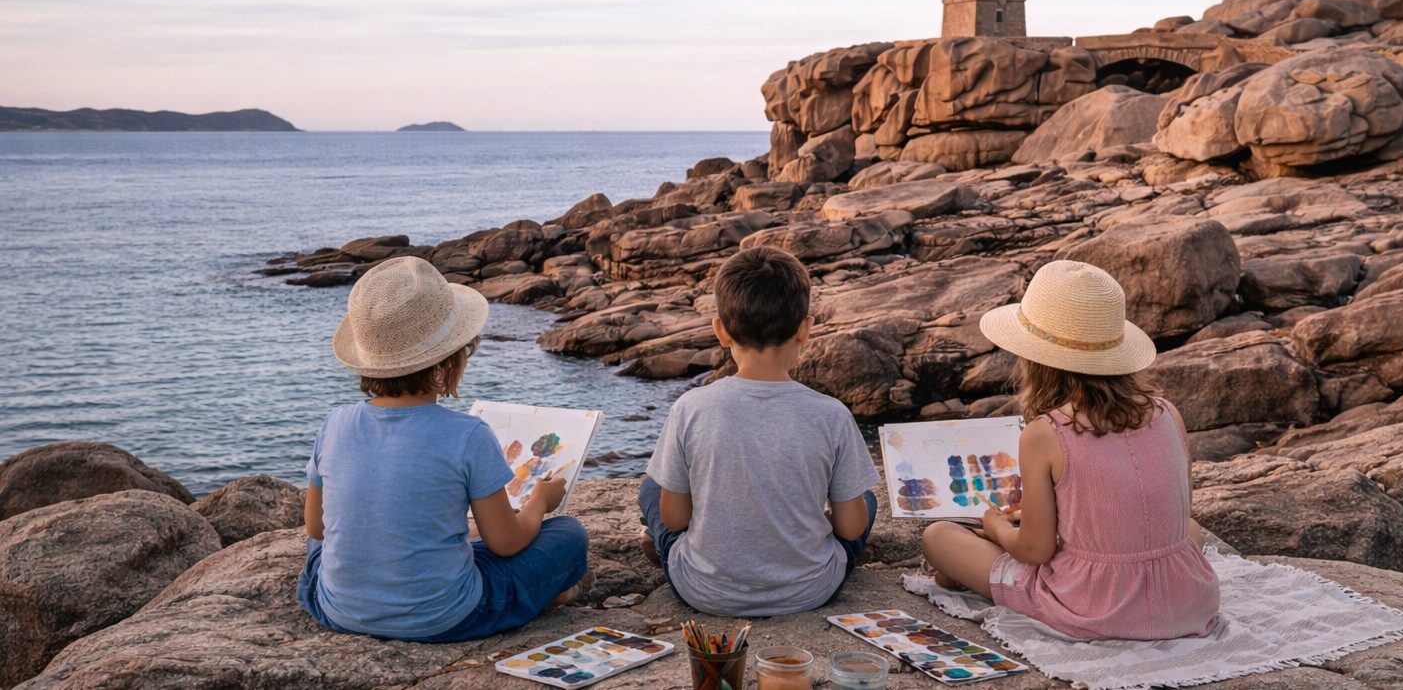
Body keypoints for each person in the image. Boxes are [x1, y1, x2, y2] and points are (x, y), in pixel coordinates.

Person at [921, 259, 1220, 641]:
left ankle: (972, 571)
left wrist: (998, 529)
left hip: (1094, 607)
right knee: (1187, 530)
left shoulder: (1045, 433)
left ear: (1036, 360)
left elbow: (1035, 550)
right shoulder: (1168, 413)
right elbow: (1173, 511)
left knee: (938, 537)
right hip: (1187, 600)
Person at [297, 256, 590, 642]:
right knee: (569, 534)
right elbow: (506, 543)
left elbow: (317, 528)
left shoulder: (334, 423)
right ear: (451, 358)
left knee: (318, 548)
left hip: (337, 609)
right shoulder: (468, 434)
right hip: (445, 618)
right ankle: (542, 593)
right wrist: (538, 501)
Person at [637, 246, 880, 616]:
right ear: (805, 329)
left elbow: (675, 519)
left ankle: (665, 547)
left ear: (721, 331)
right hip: (810, 590)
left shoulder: (690, 408)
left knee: (653, 486)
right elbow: (850, 529)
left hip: (705, 590)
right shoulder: (832, 415)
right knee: (865, 499)